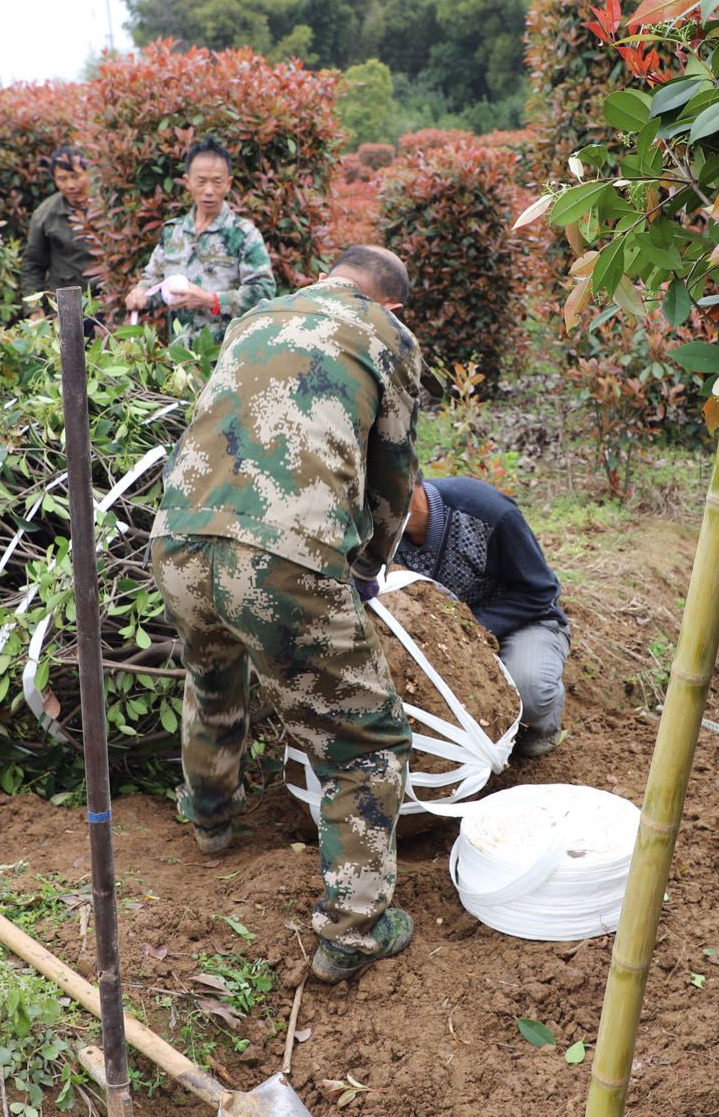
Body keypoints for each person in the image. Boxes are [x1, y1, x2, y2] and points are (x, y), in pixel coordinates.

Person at [149, 244, 419, 985]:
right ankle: (356, 929)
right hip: (279, 556)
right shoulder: (387, 335)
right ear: (389, 304)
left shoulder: (258, 314)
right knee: (365, 740)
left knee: (212, 677)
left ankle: (209, 820)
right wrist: (366, 567)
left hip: (178, 540)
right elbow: (393, 475)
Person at [394, 477, 570, 758]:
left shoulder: (486, 512)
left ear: (407, 487)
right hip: (439, 637)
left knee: (530, 693)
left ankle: (541, 727)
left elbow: (540, 590)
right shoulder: (375, 534)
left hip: (523, 621)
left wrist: (469, 630)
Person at [124, 137, 276, 342]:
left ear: (228, 184)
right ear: (188, 182)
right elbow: (154, 280)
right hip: (179, 357)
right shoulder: (173, 232)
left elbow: (264, 293)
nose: (209, 191)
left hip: (225, 354)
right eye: (201, 181)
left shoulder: (243, 235)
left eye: (217, 182)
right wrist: (140, 294)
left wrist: (211, 301)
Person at [18, 143, 105, 320]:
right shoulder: (46, 214)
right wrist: (33, 309)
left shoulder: (107, 206)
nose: (70, 185)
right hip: (66, 305)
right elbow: (33, 264)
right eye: (62, 179)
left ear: (89, 174)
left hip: (106, 300)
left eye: (76, 176)